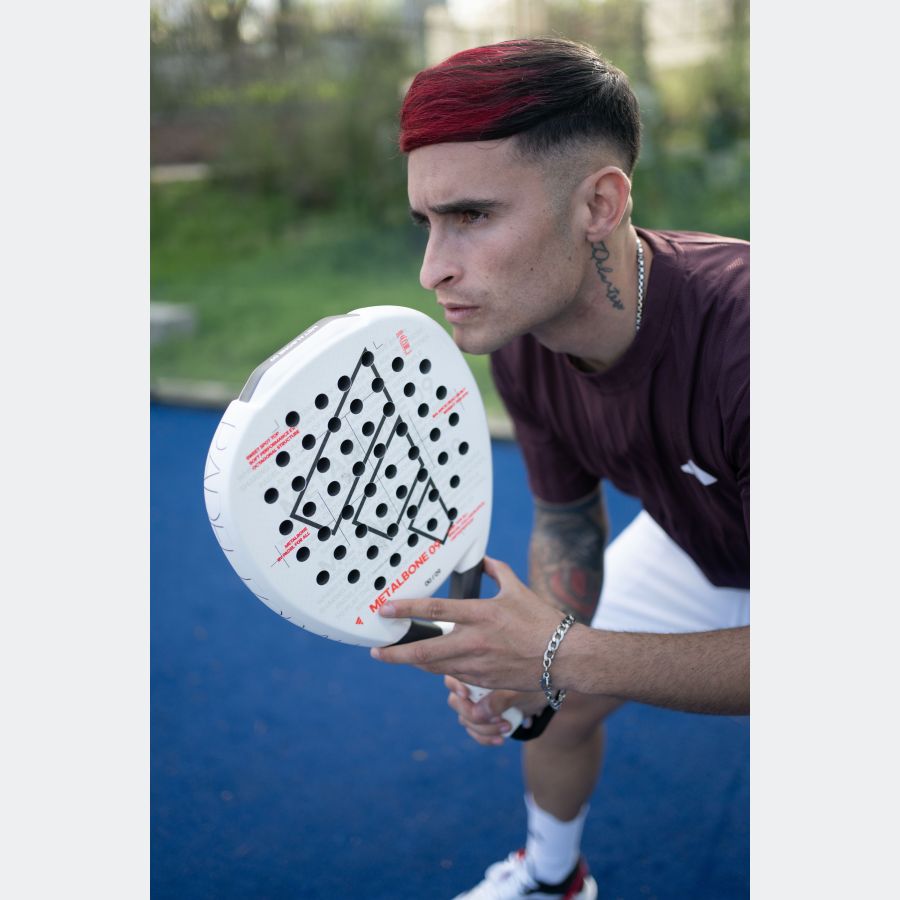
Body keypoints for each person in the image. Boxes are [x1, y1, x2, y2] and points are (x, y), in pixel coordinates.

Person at [370, 37, 749, 900]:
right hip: (708, 540)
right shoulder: (521, 338)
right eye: (427, 223)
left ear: (598, 204)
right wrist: (535, 660)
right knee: (551, 700)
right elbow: (567, 520)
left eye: (472, 216)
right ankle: (553, 880)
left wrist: (560, 650)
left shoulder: (756, 341)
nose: (433, 269)